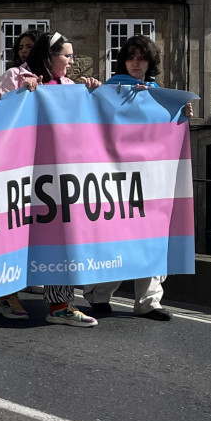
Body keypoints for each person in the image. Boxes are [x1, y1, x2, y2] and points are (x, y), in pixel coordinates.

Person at [0, 31, 102, 327]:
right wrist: (21, 93)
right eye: (67, 55)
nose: (72, 62)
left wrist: (92, 93)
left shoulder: (68, 86)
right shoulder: (16, 75)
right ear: (50, 56)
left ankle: (61, 304)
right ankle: (6, 296)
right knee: (17, 233)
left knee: (60, 236)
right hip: (21, 173)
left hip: (57, 176)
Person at [83, 35, 181, 321]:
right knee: (116, 236)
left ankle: (149, 301)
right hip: (116, 175)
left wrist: (181, 114)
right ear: (123, 60)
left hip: (150, 177)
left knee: (152, 237)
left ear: (150, 62)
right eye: (131, 57)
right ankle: (98, 294)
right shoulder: (111, 88)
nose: (136, 63)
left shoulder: (157, 93)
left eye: (142, 57)